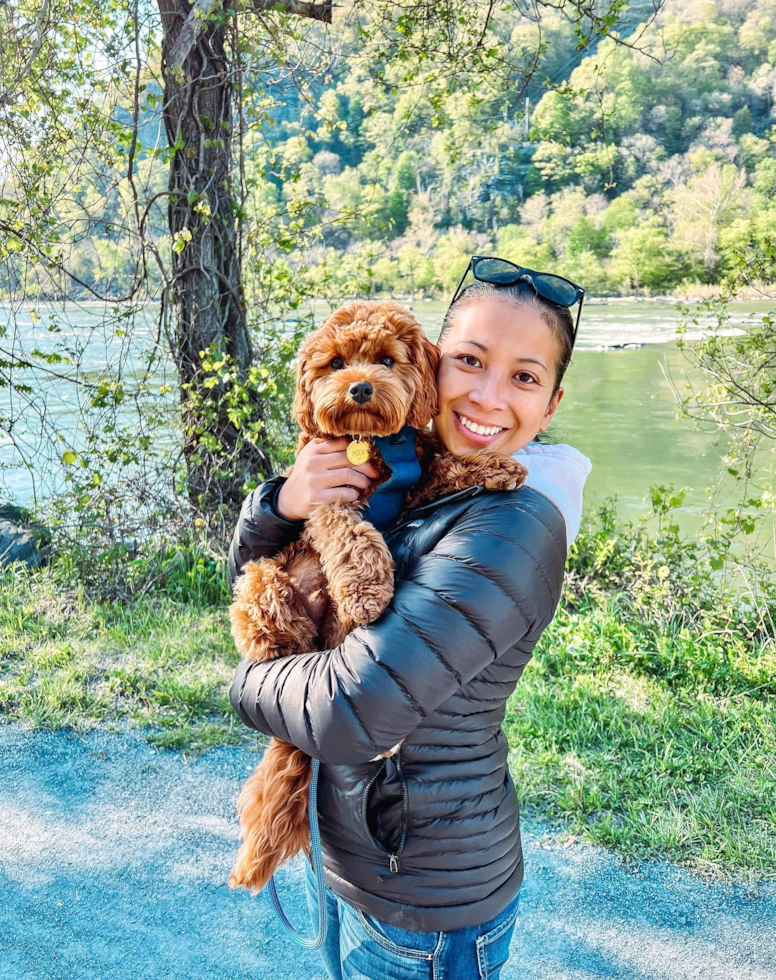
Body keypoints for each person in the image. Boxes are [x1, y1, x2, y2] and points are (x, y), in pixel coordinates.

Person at [227, 257, 592, 980]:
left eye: (524, 376)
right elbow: (247, 578)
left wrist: (246, 685)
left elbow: (353, 712)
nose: (487, 396)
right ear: (436, 365)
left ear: (550, 404)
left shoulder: (512, 525)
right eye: (469, 361)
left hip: (421, 901)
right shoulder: (418, 472)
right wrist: (281, 505)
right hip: (351, 852)